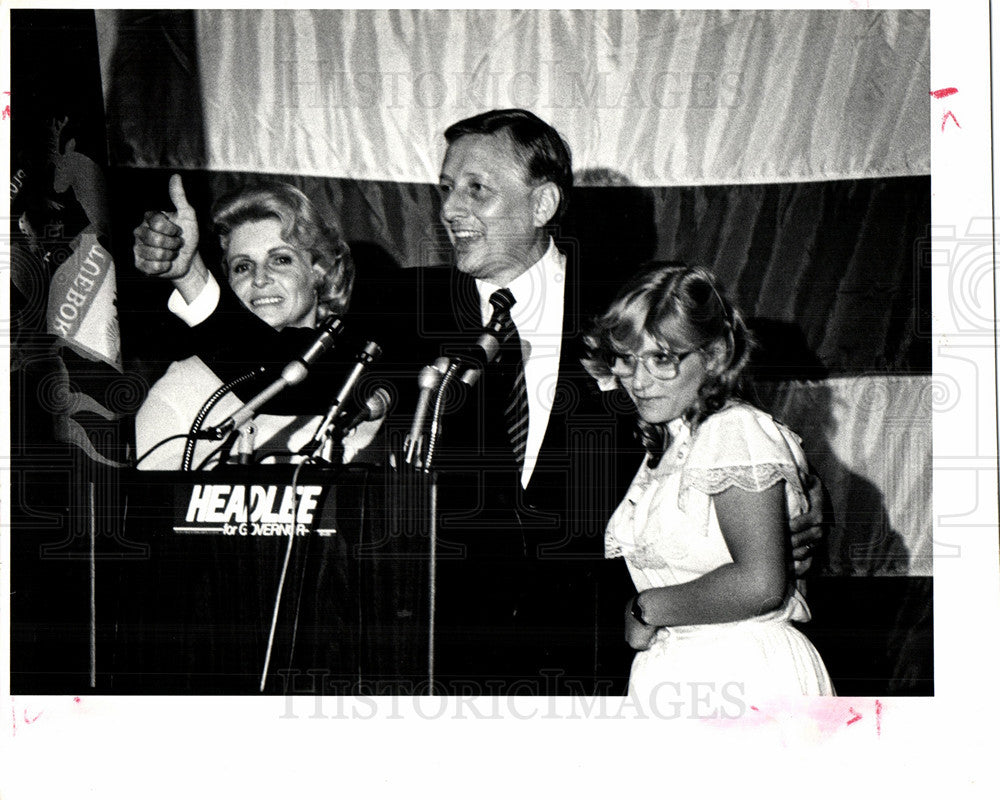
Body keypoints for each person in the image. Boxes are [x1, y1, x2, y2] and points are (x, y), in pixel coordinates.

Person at [134, 109, 825, 694]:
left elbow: (718, 427)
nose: (450, 211)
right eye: (446, 189)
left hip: (607, 647)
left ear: (544, 203)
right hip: (454, 648)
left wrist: (798, 505)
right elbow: (289, 372)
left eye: (476, 190)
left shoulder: (626, 308)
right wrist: (192, 277)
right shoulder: (414, 305)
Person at [584, 263, 834, 703]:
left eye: (662, 359)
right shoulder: (675, 435)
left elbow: (760, 584)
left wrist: (647, 609)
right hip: (683, 672)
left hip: (741, 676)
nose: (638, 381)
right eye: (627, 358)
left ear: (715, 355)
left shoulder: (731, 429)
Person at [134, 178, 381, 469]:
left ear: (318, 271)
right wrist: (190, 276)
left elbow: (292, 373)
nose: (260, 278)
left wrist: (193, 280)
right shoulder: (183, 387)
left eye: (280, 260)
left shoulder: (366, 371)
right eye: (243, 266)